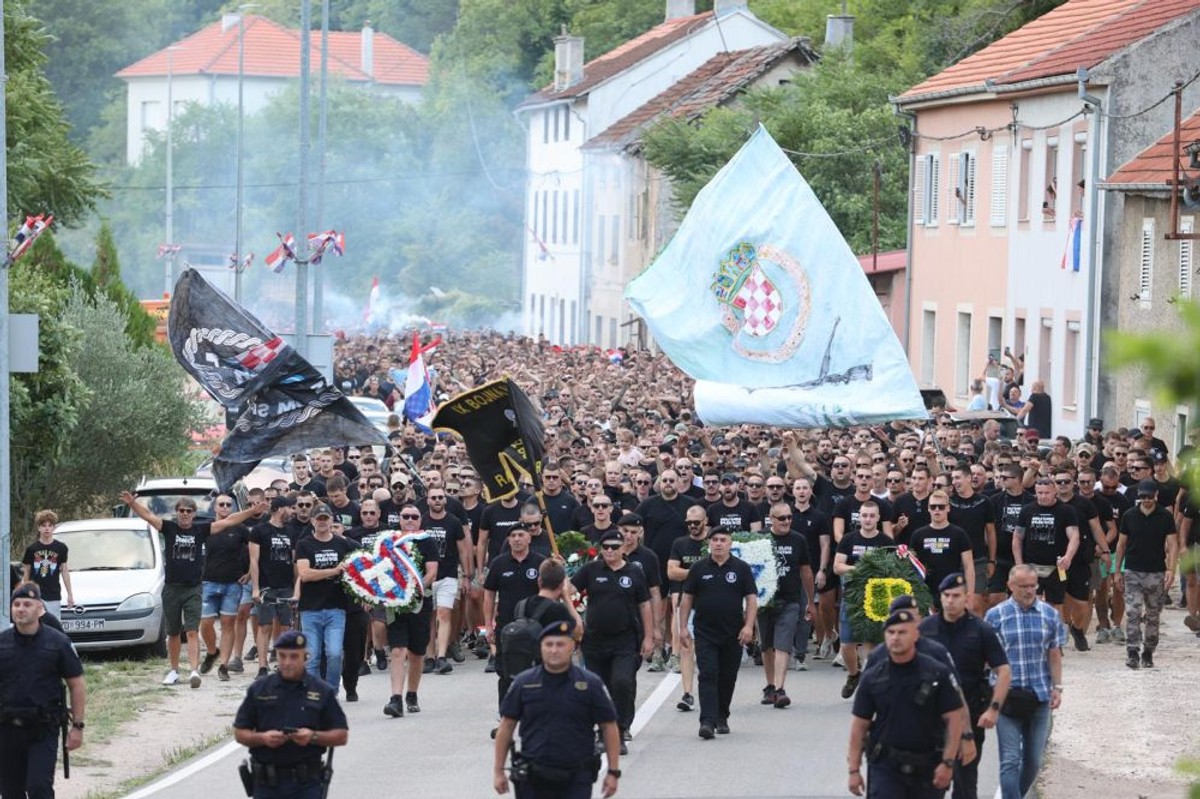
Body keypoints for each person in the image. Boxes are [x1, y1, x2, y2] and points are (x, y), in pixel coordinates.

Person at [120, 490, 260, 688]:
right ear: (177, 512)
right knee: (174, 633)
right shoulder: (168, 528)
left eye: (188, 511)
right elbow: (149, 516)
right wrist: (133, 504)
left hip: (193, 588)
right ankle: (174, 670)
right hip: (171, 588)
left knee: (192, 631)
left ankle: (194, 671)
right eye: (181, 510)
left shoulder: (200, 530)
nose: (185, 514)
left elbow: (228, 522)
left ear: (194, 514)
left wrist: (250, 511)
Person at [492, 620, 621, 799]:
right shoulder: (524, 683)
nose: (554, 650)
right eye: (549, 644)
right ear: (540, 648)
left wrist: (613, 772)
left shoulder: (589, 684)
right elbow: (506, 726)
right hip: (534, 776)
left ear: (572, 647)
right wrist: (498, 771)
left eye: (560, 644)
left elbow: (609, 726)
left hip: (576, 776)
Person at [846, 606, 963, 799]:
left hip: (927, 766)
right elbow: (859, 726)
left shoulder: (936, 672)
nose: (896, 637)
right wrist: (853, 770)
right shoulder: (873, 676)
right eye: (891, 632)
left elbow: (954, 719)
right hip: (886, 766)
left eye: (902, 632)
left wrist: (948, 763)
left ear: (916, 635)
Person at [919, 574, 1012, 799]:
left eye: (956, 596)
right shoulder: (924, 629)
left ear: (967, 598)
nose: (950, 601)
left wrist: (994, 708)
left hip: (970, 712)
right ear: (940, 597)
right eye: (946, 596)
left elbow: (1004, 671)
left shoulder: (981, 630)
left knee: (965, 785)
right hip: (930, 717)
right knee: (931, 785)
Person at [233, 630, 349, 799]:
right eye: (282, 656)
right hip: (266, 784)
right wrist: (263, 738)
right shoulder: (260, 689)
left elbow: (341, 735)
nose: (287, 662)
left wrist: (312, 737)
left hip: (306, 784)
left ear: (305, 657)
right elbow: (240, 732)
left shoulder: (321, 691)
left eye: (294, 656)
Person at [985, 564, 1066, 799]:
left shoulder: (1050, 615)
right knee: (1010, 760)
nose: (1029, 591)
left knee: (1034, 761)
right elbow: (987, 657)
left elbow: (1054, 653)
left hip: (1039, 696)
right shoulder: (995, 616)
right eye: (1023, 586)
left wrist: (1057, 687)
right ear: (1011, 586)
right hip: (1006, 698)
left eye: (1033, 586)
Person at [0, 584, 86, 799]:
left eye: (27, 604)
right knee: (11, 792)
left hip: (43, 728)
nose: (21, 609)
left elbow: (77, 684)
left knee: (39, 787)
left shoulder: (57, 642)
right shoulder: (2, 643)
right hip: (7, 729)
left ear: (40, 609)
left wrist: (77, 726)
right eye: (17, 604)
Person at [571, 529, 653, 754]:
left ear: (623, 549)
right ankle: (602, 732)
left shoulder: (634, 573)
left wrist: (648, 636)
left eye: (614, 547)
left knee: (622, 683)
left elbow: (645, 604)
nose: (609, 551)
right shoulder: (591, 569)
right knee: (599, 688)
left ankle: (619, 730)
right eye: (605, 547)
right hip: (595, 640)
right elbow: (568, 590)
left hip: (625, 639)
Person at [679, 528, 758, 739]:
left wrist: (748, 626)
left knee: (727, 677)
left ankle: (722, 716)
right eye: (715, 540)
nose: (719, 543)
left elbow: (751, 599)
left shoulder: (741, 568)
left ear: (730, 543)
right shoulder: (698, 568)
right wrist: (683, 627)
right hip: (705, 632)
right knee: (708, 674)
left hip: (733, 633)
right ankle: (707, 721)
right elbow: (686, 598)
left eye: (723, 540)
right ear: (709, 543)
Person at [383, 505, 440, 717]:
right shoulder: (389, 541)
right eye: (405, 516)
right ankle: (395, 699)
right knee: (398, 650)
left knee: (417, 653)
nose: (409, 520)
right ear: (399, 518)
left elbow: (432, 572)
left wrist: (414, 588)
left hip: (419, 602)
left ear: (420, 520)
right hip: (395, 604)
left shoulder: (427, 541)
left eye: (414, 517)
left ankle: (412, 694)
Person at [295, 504, 357, 696]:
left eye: (325, 518)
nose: (322, 522)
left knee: (335, 653)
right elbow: (304, 574)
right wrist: (334, 571)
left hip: (336, 607)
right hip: (310, 608)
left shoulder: (344, 544)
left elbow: (360, 563)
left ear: (331, 521)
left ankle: (331, 690)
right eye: (318, 519)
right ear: (312, 521)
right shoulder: (304, 544)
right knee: (312, 657)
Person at [1115, 480, 1177, 670]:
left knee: (1153, 615)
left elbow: (1173, 544)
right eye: (1143, 497)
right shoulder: (1129, 516)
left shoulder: (1165, 516)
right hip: (1133, 570)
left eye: (1149, 497)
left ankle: (1148, 651)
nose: (1146, 500)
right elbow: (1121, 544)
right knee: (1133, 612)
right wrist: (1117, 571)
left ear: (1156, 495)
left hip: (1156, 571)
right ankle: (1132, 651)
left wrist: (1171, 569)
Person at [759, 502, 816, 709]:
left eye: (789, 517)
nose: (786, 521)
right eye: (781, 518)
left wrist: (810, 600)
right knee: (766, 645)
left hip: (790, 599)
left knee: (782, 644)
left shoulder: (798, 540)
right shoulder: (761, 538)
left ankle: (780, 689)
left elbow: (806, 571)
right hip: (765, 600)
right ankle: (770, 685)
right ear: (771, 519)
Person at [833, 501, 892, 698]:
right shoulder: (849, 539)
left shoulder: (885, 541)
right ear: (859, 517)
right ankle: (853, 674)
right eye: (864, 515)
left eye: (871, 516)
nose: (867, 519)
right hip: (852, 596)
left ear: (877, 518)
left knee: (871, 643)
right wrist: (859, 568)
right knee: (847, 643)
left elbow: (891, 569)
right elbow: (837, 566)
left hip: (876, 597)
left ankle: (869, 683)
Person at [483, 525, 546, 706]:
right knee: (505, 674)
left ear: (529, 538)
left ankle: (534, 715)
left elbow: (548, 593)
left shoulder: (540, 562)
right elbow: (489, 594)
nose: (517, 539)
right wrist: (488, 625)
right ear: (508, 540)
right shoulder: (498, 563)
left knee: (536, 671)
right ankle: (505, 718)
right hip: (506, 627)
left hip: (534, 628)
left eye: (521, 535)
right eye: (513, 536)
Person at [667, 504, 708, 712]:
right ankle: (687, 693)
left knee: (709, 650)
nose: (692, 526)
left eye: (696, 522)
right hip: (687, 601)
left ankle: (711, 692)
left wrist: (686, 571)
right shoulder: (680, 543)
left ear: (705, 521)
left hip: (712, 603)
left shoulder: (714, 541)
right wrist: (700, 571)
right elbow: (671, 572)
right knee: (686, 646)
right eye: (689, 523)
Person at [907, 491, 974, 607]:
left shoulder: (959, 534)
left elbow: (969, 566)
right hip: (925, 592)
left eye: (941, 507)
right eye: (933, 507)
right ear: (928, 508)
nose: (937, 510)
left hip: (952, 591)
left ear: (948, 508)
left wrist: (970, 594)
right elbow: (911, 567)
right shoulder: (918, 534)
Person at [20, 509, 74, 619]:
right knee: (35, 625)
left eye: (50, 525)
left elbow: (64, 571)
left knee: (54, 626)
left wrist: (70, 594)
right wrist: (24, 593)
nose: (47, 528)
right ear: (39, 528)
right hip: (35, 595)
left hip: (53, 594)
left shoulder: (61, 548)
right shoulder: (31, 549)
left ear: (54, 528)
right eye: (44, 525)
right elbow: (27, 573)